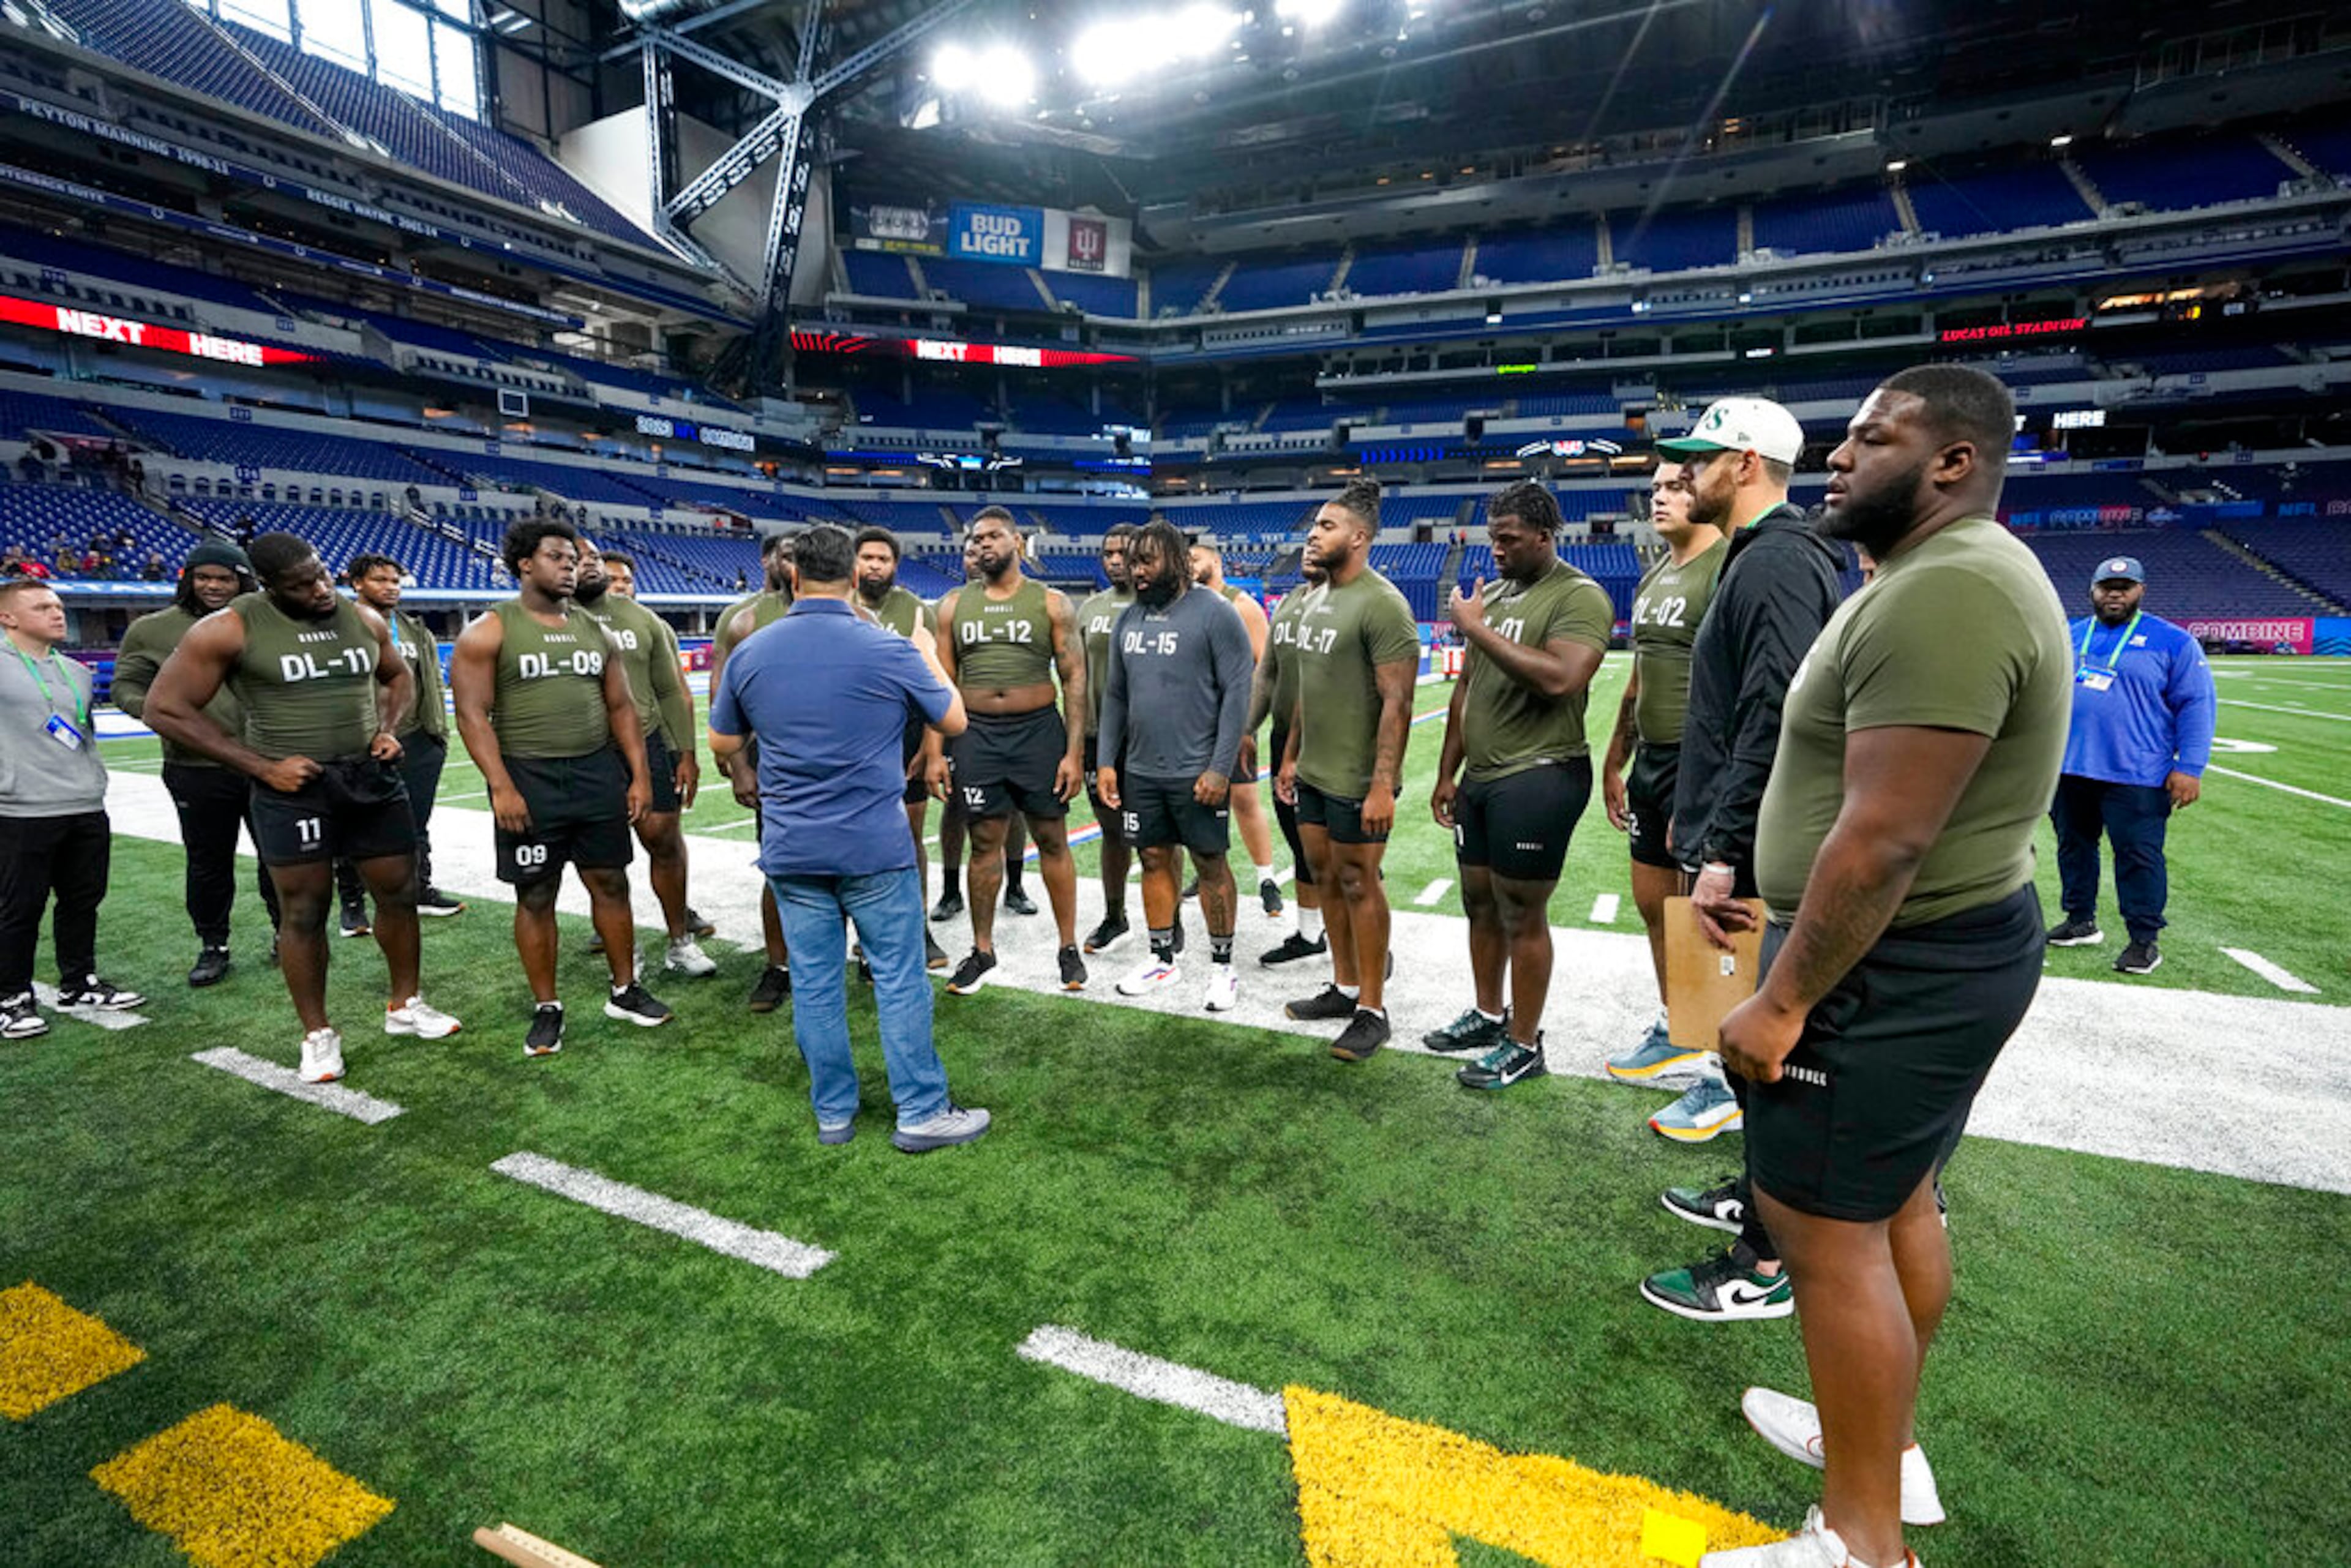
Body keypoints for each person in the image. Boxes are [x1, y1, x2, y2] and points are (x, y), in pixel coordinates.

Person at [1700, 365, 2071, 1568]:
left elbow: (1886, 834)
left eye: (1871, 437)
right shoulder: (1935, 574)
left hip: (1889, 965)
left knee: (1824, 1229)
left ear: (1952, 460)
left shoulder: (1949, 586)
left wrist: (1784, 995)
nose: (1841, 457)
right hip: (1936, 951)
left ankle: (1861, 1541)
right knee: (1898, 1196)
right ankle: (1885, 1447)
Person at [1637, 396, 1845, 1324]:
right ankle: (1762, 1199)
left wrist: (1722, 846)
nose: (1685, 473)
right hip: (1735, 836)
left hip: (1751, 851)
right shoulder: (1762, 556)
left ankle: (1765, 1260)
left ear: (1748, 463)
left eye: (1703, 459)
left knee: (1755, 1042)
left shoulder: (1777, 562)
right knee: (1724, 1029)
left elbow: (1775, 712)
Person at [709, 523, 988, 1152]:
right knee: (898, 977)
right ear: (857, 575)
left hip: (793, 843)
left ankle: (834, 1112)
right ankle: (919, 1109)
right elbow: (954, 717)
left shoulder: (754, 648)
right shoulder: (887, 646)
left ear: (794, 576)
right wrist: (925, 651)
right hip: (874, 844)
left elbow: (723, 743)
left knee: (813, 981)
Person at [148, 533, 456, 1083]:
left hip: (369, 776)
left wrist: (386, 730)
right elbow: (166, 708)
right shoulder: (231, 626)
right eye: (300, 584)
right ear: (267, 585)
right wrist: (260, 767)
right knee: (305, 910)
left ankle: (405, 1005)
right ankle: (317, 1034)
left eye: (320, 575)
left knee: (399, 891)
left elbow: (397, 676)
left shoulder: (363, 618)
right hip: (294, 785)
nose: (318, 590)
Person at [450, 519, 672, 1058]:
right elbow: (473, 714)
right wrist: (501, 785)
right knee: (536, 892)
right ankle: (547, 1005)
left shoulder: (595, 629)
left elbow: (622, 706)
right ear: (525, 563)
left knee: (611, 882)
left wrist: (638, 774)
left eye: (573, 559)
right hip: (529, 776)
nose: (570, 566)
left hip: (596, 770)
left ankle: (625, 989)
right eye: (557, 557)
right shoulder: (490, 629)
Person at [1425, 482, 1611, 1089]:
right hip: (1481, 777)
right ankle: (1488, 1012)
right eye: (1493, 538)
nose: (1497, 549)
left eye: (1509, 539)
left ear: (1543, 536)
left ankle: (1526, 1042)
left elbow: (1561, 678)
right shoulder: (1497, 594)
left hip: (1540, 774)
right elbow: (1465, 691)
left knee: (1521, 909)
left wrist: (1475, 629)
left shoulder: (1579, 595)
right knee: (1478, 899)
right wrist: (1446, 771)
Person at [1274, 476, 1420, 1063]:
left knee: (1360, 883)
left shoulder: (1383, 603)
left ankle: (1373, 1009)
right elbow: (1311, 685)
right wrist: (1290, 756)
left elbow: (1398, 700)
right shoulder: (1315, 598)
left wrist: (1383, 783)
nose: (1314, 535)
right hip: (1313, 771)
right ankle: (1342, 986)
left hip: (1360, 779)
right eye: (1314, 526)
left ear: (1359, 537)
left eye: (1326, 526)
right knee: (1325, 876)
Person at [1599, 460, 1728, 1081]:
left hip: (1698, 762)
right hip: (1650, 757)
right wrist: (1614, 759)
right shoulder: (1655, 573)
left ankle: (1715, 1048)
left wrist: (1707, 783)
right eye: (1655, 488)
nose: (1661, 497)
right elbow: (1639, 676)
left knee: (1702, 912)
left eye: (1676, 486)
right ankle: (1678, 1023)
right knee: (1655, 905)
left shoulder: (1726, 565)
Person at [929, 506, 1089, 996]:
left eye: (994, 536)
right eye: (977, 539)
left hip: (1038, 731)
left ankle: (1067, 947)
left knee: (1053, 837)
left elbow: (1075, 679)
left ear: (1017, 542)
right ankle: (982, 949)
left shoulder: (1052, 602)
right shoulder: (954, 604)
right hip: (976, 734)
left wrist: (1074, 752)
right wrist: (935, 752)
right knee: (984, 841)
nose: (983, 545)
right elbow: (940, 682)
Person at [1097, 519, 1256, 1011]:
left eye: (1147, 561)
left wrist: (1220, 768)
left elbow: (1238, 693)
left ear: (1178, 561)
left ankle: (1223, 969)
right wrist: (1107, 761)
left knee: (1211, 863)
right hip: (1142, 770)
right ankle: (1162, 957)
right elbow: (1116, 695)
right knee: (1152, 859)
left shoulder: (1216, 613)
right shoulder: (1130, 618)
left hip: (1198, 771)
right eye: (1131, 560)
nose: (1134, 570)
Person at [110, 541, 282, 987]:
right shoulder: (152, 629)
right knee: (208, 860)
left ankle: (289, 934)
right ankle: (213, 945)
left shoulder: (272, 621)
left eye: (225, 578)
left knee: (281, 858)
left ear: (244, 580)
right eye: (203, 577)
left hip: (270, 760)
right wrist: (163, 711)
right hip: (197, 765)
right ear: (186, 579)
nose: (213, 586)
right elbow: (126, 684)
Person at [2044, 554, 2214, 975]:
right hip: (2070, 767)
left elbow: (2196, 703)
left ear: (2141, 591)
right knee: (2073, 845)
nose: (2114, 594)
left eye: (2125, 587)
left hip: (2137, 773)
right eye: (2106, 587)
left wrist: (2190, 766)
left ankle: (2144, 939)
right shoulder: (2070, 634)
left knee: (2138, 854)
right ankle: (2080, 919)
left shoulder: (2172, 641)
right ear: (2092, 591)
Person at [0, 579, 143, 1040]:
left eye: (59, 606)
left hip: (84, 804)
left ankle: (78, 981)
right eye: (43, 607)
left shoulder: (76, 671)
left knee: (83, 900)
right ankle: (11, 997)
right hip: (20, 808)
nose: (58, 613)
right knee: (20, 907)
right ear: (9, 617)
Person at [576, 544, 716, 979]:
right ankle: (625, 950)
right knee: (602, 856)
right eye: (577, 559)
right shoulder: (546, 618)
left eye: (594, 559)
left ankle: (680, 940)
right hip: (582, 750)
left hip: (646, 739)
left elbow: (673, 690)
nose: (589, 566)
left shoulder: (643, 619)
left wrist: (685, 754)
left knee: (664, 839)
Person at [336, 553, 465, 928]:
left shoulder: (413, 628)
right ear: (357, 583)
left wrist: (435, 735)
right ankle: (353, 903)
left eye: (395, 581)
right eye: (380, 580)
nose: (390, 587)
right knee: (358, 824)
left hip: (416, 738)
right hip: (361, 743)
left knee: (416, 822)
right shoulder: (340, 626)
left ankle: (419, 888)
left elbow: (428, 684)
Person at [853, 526, 951, 972]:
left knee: (910, 837)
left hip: (906, 733)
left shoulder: (915, 610)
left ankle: (918, 928)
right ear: (853, 563)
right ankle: (865, 937)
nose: (875, 565)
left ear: (896, 566)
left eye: (883, 559)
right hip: (854, 739)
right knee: (858, 838)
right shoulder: (842, 608)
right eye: (867, 557)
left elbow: (932, 682)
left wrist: (932, 750)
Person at [710, 531, 795, 1011]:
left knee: (849, 866)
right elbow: (725, 697)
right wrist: (740, 765)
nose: (794, 563)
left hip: (839, 761)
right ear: (768, 559)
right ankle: (777, 966)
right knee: (778, 866)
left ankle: (861, 955)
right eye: (785, 553)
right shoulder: (745, 619)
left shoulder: (849, 610)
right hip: (774, 758)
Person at [931, 529, 1034, 927]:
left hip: (1013, 725)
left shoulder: (1022, 601)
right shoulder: (950, 605)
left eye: (981, 550)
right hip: (963, 725)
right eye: (969, 552)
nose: (975, 557)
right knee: (955, 807)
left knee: (1015, 804)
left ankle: (1016, 884)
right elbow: (940, 674)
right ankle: (951, 888)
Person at [1188, 538, 1284, 920]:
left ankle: (1267, 879)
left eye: (1195, 558)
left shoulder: (1242, 605)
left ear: (1216, 559)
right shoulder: (1187, 604)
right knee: (1198, 801)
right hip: (1195, 724)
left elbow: (1264, 668)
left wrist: (1248, 724)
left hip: (1234, 722)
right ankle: (1207, 871)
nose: (1189, 564)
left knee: (1244, 800)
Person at [1248, 555, 1330, 967]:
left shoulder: (1360, 601)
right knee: (1300, 840)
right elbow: (1267, 674)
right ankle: (1311, 933)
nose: (1310, 548)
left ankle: (1369, 942)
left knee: (1346, 850)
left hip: (1336, 741)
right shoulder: (1288, 603)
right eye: (1309, 539)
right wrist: (1248, 728)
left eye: (1324, 535)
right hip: (1285, 738)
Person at [1073, 525, 1141, 955]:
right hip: (1100, 738)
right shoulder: (1090, 609)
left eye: (1123, 552)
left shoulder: (1157, 604)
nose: (1115, 560)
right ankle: (1115, 915)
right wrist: (1075, 739)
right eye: (1108, 552)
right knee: (1111, 831)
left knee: (1157, 837)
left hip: (1148, 739)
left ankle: (1168, 919)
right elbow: (1076, 679)